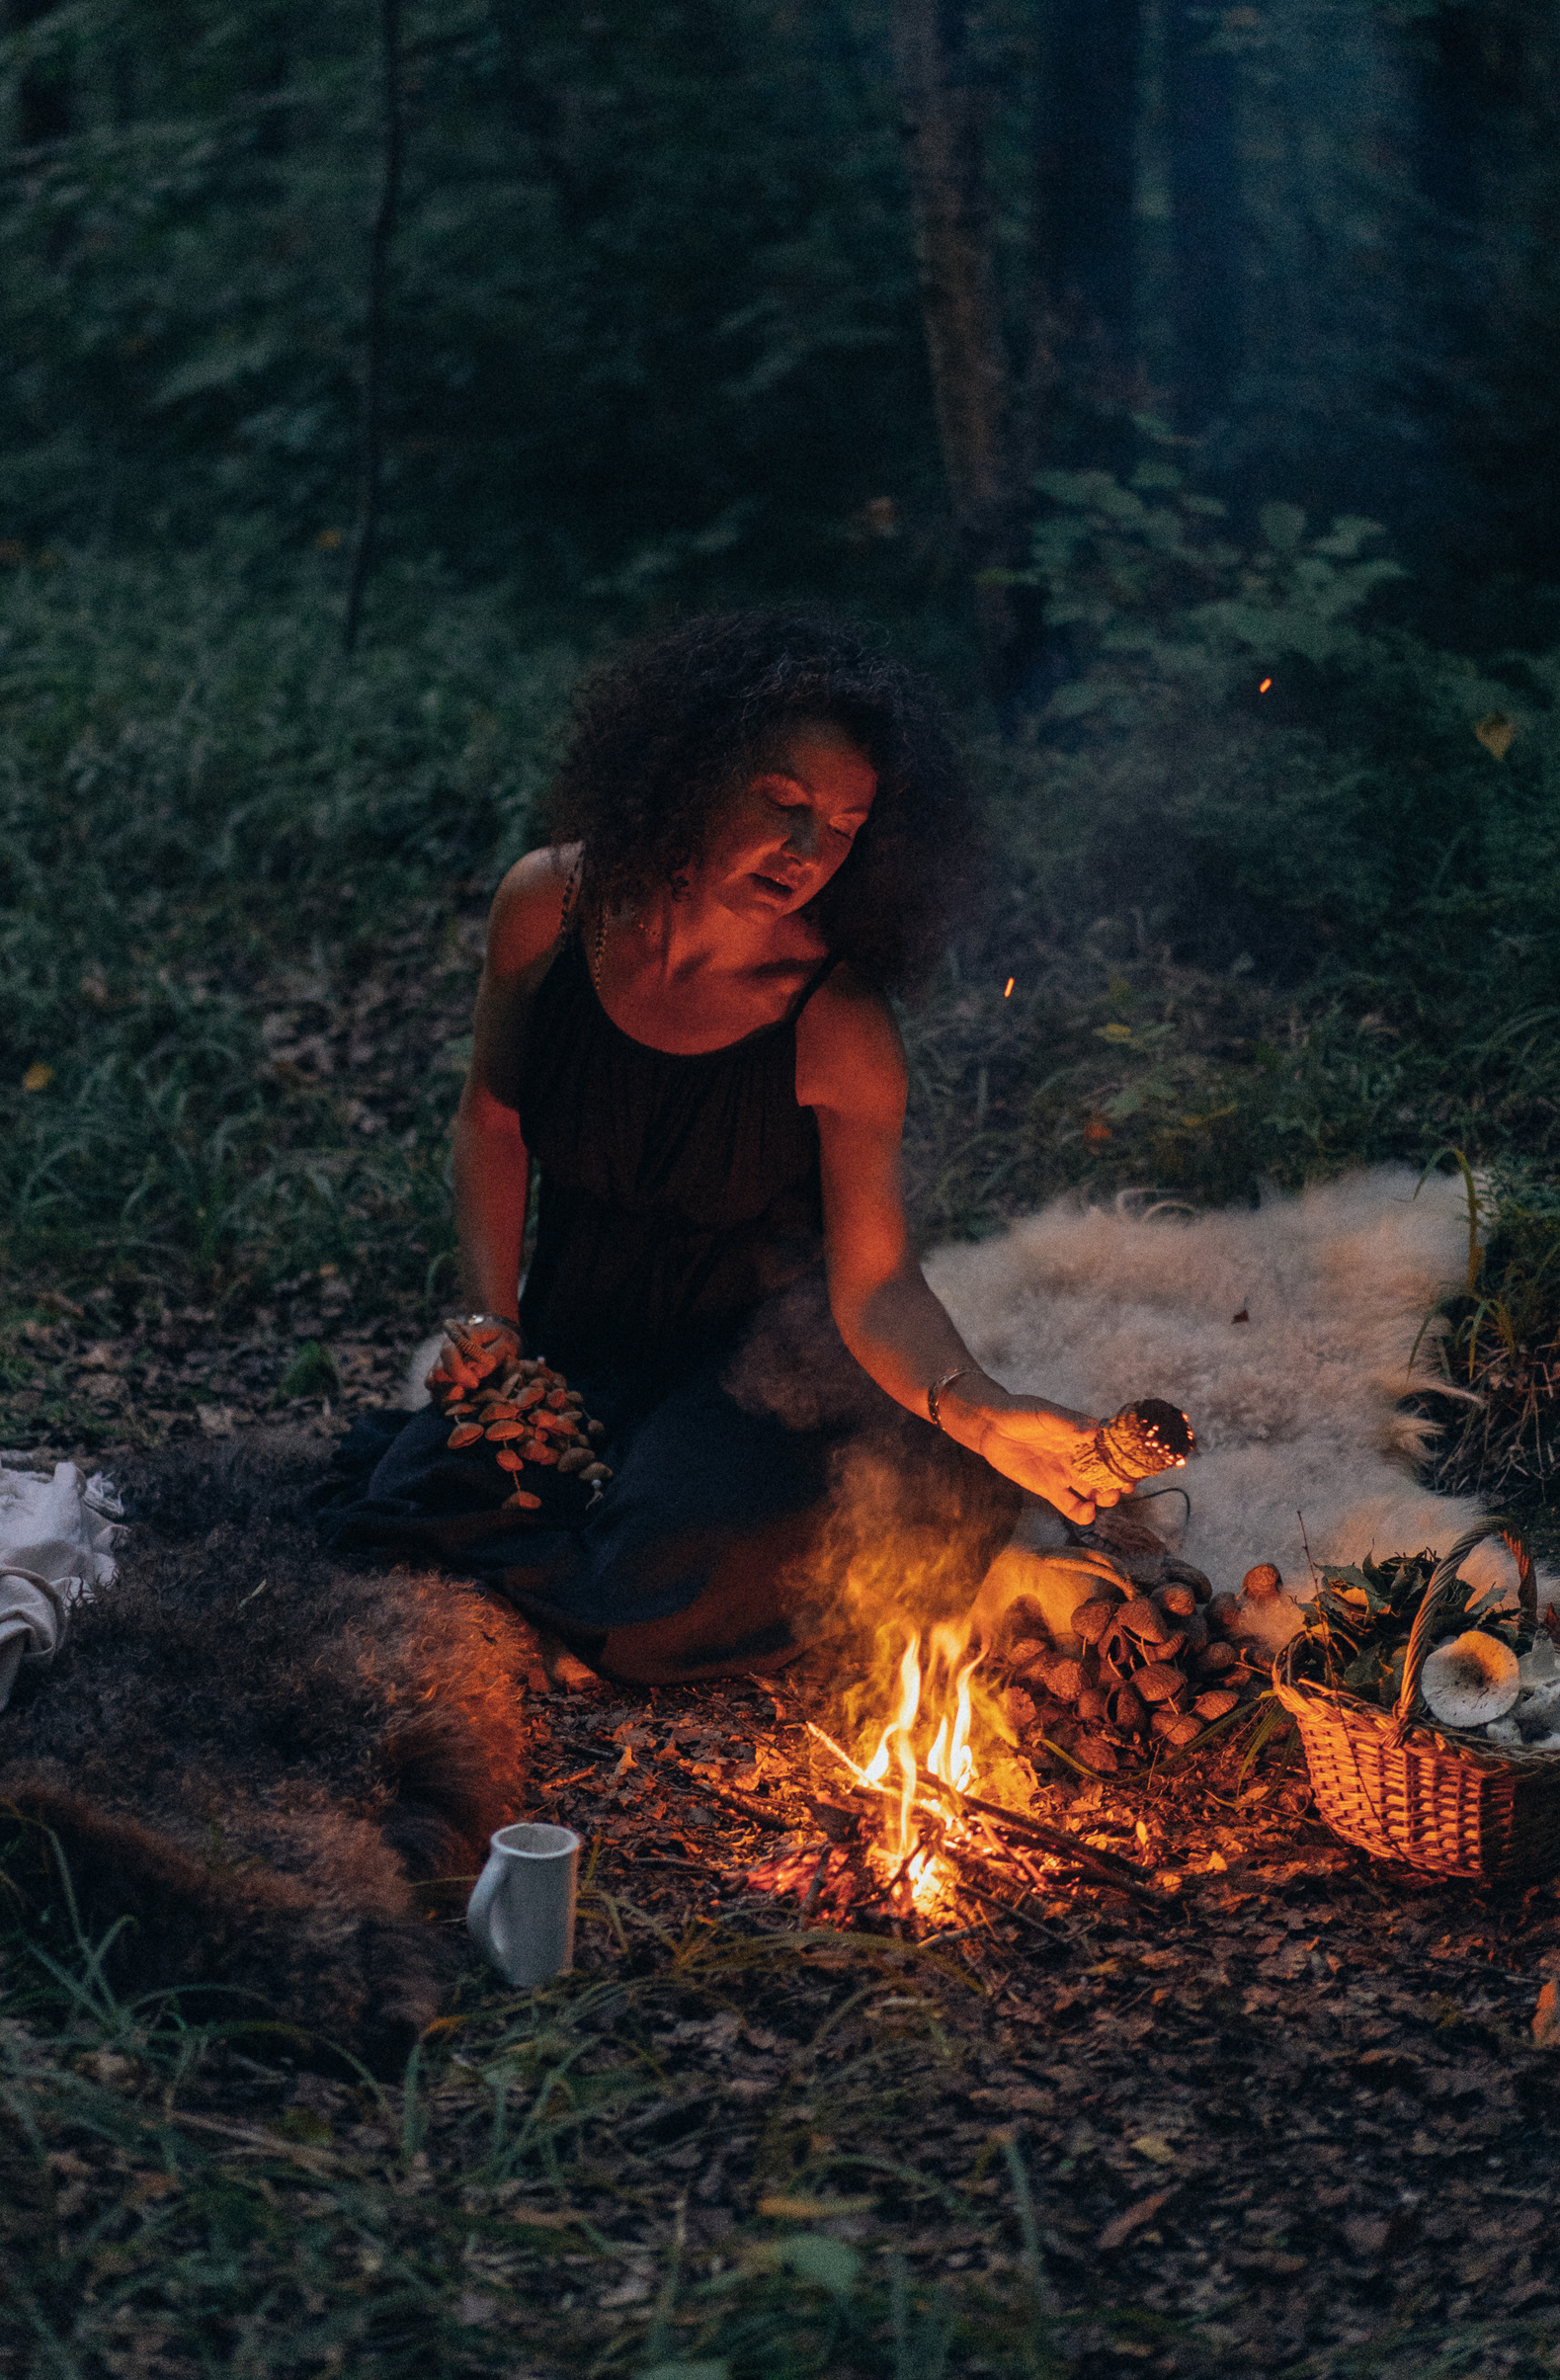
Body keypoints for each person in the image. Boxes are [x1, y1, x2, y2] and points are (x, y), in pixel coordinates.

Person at [324, 610, 1121, 1682]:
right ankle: (587, 1551)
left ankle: (663, 1540)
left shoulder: (834, 1021)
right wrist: (488, 1320)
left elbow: (876, 1281)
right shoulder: (549, 906)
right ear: (696, 772)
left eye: (840, 828)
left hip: (755, 1365)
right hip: (581, 1324)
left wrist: (975, 1411)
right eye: (783, 804)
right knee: (414, 1496)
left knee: (673, 1568)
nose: (805, 853)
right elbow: (491, 1120)